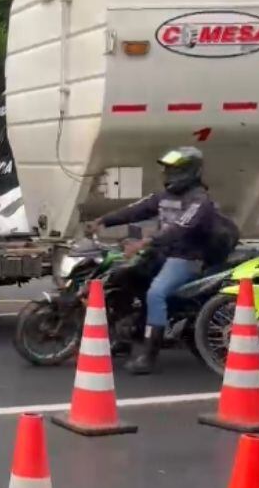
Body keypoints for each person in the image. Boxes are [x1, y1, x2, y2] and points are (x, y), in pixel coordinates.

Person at [87, 146, 217, 375]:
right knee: (122, 277)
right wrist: (103, 221)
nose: (169, 175)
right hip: (162, 253)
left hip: (187, 257)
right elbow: (137, 210)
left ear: (190, 171)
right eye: (167, 170)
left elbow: (179, 229)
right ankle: (126, 336)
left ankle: (149, 354)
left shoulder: (199, 201)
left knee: (155, 293)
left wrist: (144, 243)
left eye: (174, 170)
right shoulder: (164, 196)